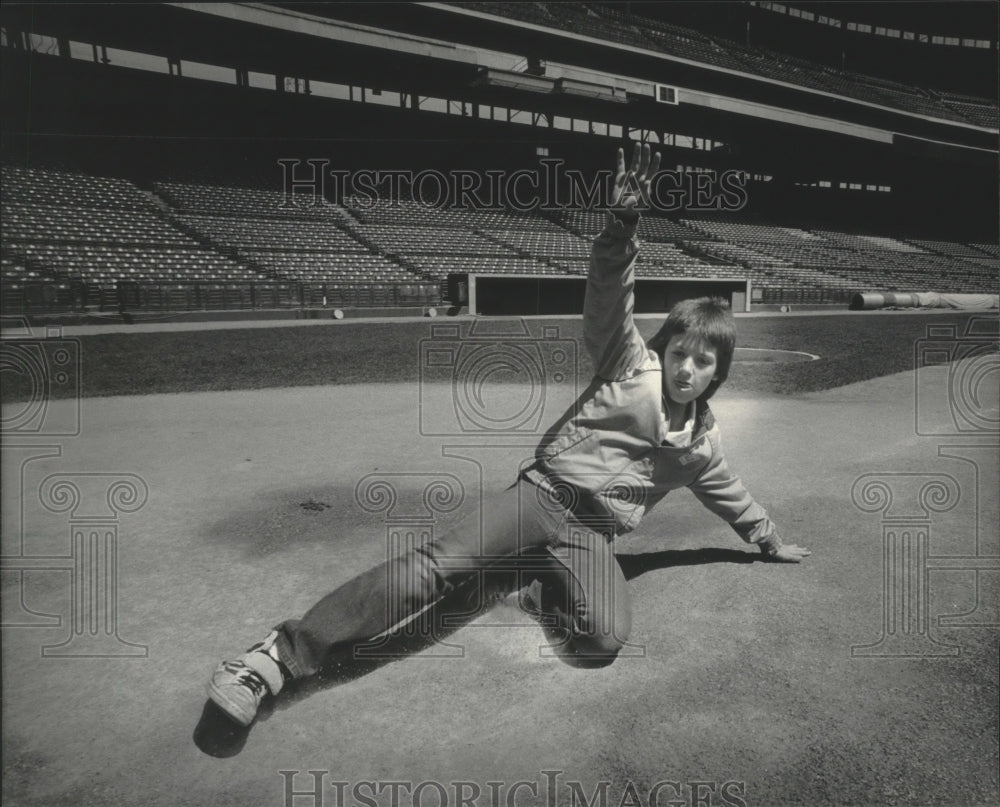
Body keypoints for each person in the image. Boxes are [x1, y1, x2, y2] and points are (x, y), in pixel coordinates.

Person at [206, 144, 811, 727]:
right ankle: (274, 659)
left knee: (601, 640)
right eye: (680, 351)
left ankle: (535, 589)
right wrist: (623, 226)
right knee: (436, 573)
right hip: (540, 500)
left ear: (718, 372)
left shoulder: (703, 444)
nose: (687, 368)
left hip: (587, 537)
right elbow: (608, 298)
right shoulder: (629, 365)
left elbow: (728, 489)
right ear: (664, 346)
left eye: (703, 361)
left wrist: (767, 537)